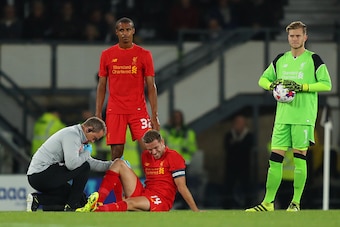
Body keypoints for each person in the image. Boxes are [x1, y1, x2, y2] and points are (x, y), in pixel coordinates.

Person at [246, 21, 332, 212]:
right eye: (292, 36)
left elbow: (327, 84)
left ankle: (296, 203)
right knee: (274, 159)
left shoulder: (314, 59)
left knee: (300, 158)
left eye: (298, 36)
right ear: (288, 38)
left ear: (305, 37)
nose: (294, 39)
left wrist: (302, 87)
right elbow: (262, 79)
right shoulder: (280, 59)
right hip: (282, 117)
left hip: (303, 116)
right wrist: (273, 86)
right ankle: (268, 203)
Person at [76, 129, 200, 212]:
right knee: (118, 163)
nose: (153, 153)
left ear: (162, 142)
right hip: (144, 191)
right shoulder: (146, 156)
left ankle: (96, 210)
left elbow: (182, 187)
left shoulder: (174, 157)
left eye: (156, 148)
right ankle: (99, 202)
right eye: (150, 149)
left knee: (130, 203)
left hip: (161, 199)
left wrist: (195, 210)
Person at [95, 17, 160, 161]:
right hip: (115, 109)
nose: (125, 33)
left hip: (138, 109)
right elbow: (101, 86)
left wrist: (154, 115)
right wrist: (98, 113)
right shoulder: (107, 55)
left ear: (133, 31)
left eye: (128, 30)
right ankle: (117, 184)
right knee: (116, 153)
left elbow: (151, 86)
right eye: (122, 30)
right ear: (116, 32)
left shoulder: (144, 54)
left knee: (151, 148)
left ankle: (157, 183)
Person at [26, 117, 113, 212]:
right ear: (88, 129)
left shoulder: (79, 138)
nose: (93, 141)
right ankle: (72, 206)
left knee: (81, 200)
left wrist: (112, 165)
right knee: (84, 168)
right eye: (94, 138)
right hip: (41, 174)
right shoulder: (72, 135)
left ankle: (38, 199)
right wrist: (87, 153)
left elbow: (90, 162)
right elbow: (72, 164)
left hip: (42, 175)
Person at [223, 114, 254, 209]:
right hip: (231, 165)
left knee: (246, 186)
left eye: (241, 123)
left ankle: (248, 206)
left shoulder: (248, 136)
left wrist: (236, 145)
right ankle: (227, 206)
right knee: (229, 186)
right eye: (237, 122)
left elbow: (246, 148)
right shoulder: (229, 135)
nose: (238, 125)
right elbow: (227, 148)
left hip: (244, 166)